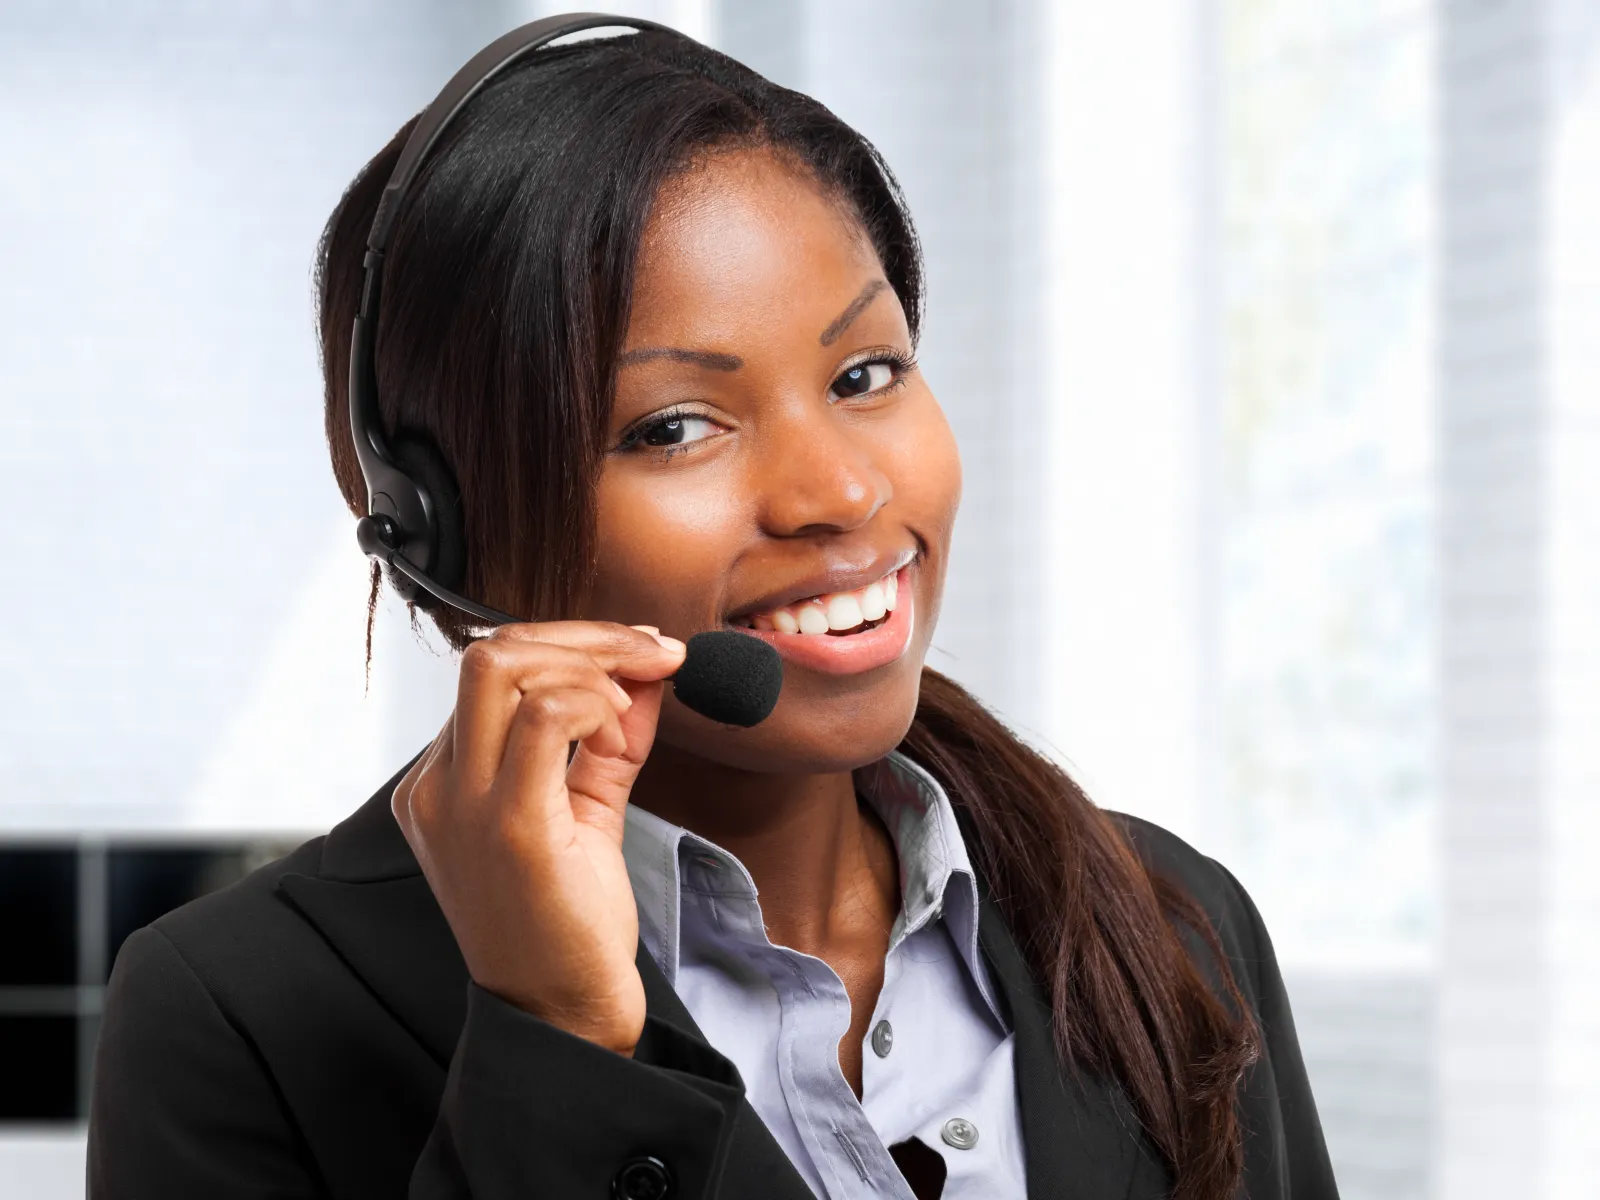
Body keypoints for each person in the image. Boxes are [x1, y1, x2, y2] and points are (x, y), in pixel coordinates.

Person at [87, 23, 1338, 1200]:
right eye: (675, 427)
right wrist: (561, 1043)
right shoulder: (241, 1011)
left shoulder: (1173, 919)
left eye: (866, 373)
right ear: (441, 529)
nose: (842, 489)